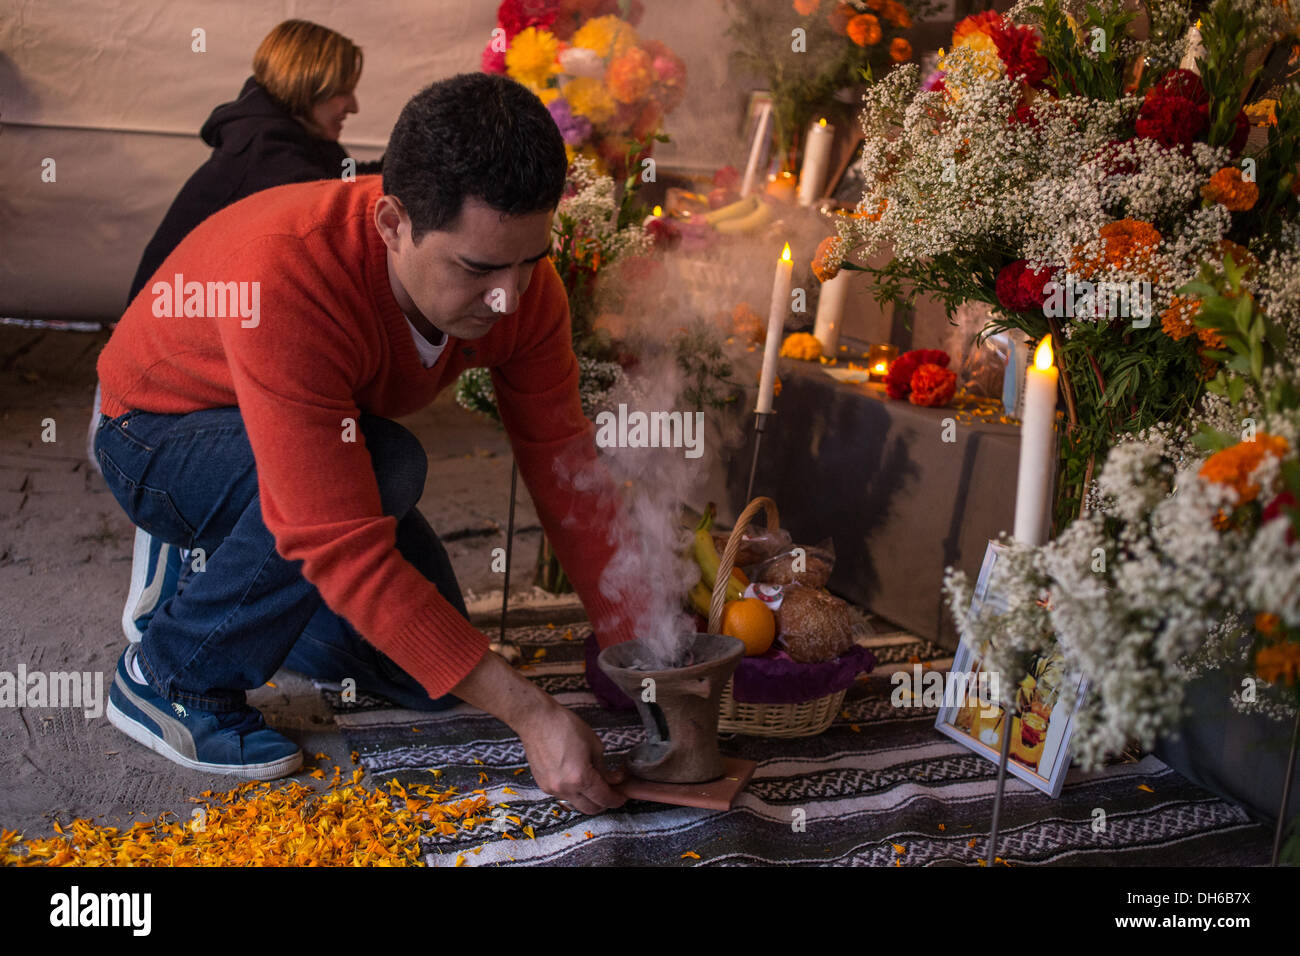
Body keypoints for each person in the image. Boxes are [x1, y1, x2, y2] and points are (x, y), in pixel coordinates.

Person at [93, 73, 637, 815]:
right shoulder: (289, 272)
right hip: (154, 430)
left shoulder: (521, 288)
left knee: (426, 677)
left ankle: (246, 583)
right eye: (476, 270)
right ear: (391, 223)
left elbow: (563, 461)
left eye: (529, 261)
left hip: (304, 431)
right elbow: (341, 539)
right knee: (385, 467)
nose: (509, 297)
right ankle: (168, 673)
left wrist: (635, 639)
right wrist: (533, 716)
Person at [93, 19, 375, 643]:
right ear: (310, 83)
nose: (353, 105)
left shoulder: (282, 148)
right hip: (155, 391)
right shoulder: (273, 163)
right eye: (342, 90)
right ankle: (165, 620)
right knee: (281, 460)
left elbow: (352, 188)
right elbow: (343, 205)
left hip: (176, 365)